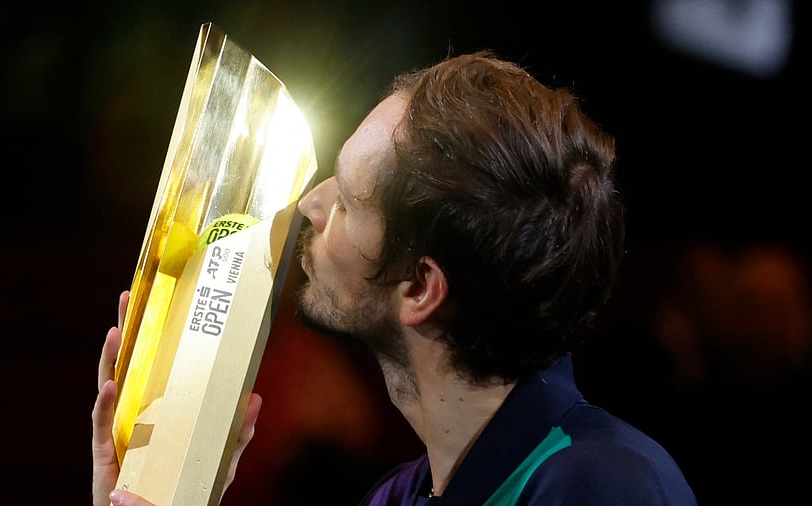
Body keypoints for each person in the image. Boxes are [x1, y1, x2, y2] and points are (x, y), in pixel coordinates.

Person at [92, 50, 697, 505]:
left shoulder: (601, 486)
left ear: (419, 288)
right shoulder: (398, 497)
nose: (312, 204)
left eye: (349, 200)